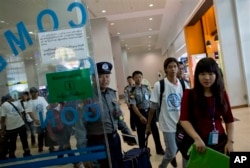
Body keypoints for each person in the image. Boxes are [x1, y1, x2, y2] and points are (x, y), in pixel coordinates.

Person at [179, 57, 234, 159]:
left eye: (210, 73)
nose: (207, 78)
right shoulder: (189, 95)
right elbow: (184, 120)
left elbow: (229, 120)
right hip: (198, 143)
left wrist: (230, 142)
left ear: (216, 75)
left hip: (220, 141)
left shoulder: (222, 94)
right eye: (202, 74)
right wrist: (197, 138)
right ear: (197, 76)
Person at [94, 61, 134, 168]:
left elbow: (119, 117)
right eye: (101, 76)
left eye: (107, 76)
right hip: (99, 141)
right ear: (93, 78)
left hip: (115, 138)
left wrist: (128, 134)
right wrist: (84, 153)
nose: (105, 79)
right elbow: (81, 127)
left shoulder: (112, 94)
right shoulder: (89, 98)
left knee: (119, 163)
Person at [146, 58, 183, 168]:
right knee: (172, 151)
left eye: (175, 66)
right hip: (167, 124)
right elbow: (152, 108)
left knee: (185, 150)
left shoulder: (183, 84)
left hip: (182, 124)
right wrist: (148, 125)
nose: (173, 69)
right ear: (165, 69)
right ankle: (162, 165)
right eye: (170, 67)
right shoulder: (159, 85)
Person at [130, 70, 164, 155]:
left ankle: (159, 149)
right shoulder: (131, 90)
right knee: (141, 133)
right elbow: (133, 105)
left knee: (155, 131)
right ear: (133, 78)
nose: (138, 79)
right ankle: (143, 151)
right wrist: (141, 116)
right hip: (139, 113)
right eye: (136, 77)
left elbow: (151, 99)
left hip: (149, 112)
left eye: (140, 77)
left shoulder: (145, 87)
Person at [29, 87, 51, 152]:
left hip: (46, 120)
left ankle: (51, 146)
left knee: (48, 134)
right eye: (34, 92)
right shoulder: (30, 102)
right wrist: (35, 119)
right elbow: (30, 112)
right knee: (40, 135)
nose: (36, 93)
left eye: (36, 92)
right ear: (31, 93)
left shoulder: (41, 99)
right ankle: (40, 147)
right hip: (38, 121)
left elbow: (47, 106)